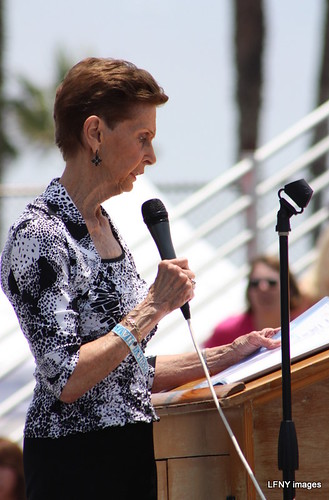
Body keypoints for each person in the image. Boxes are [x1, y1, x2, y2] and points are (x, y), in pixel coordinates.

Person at [0, 57, 280, 500]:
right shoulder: (40, 234)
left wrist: (230, 353)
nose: (150, 156)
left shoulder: (106, 226)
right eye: (142, 138)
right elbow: (68, 377)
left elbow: (126, 370)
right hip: (73, 465)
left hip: (130, 453)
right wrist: (151, 307)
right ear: (95, 133)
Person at [203, 254, 307, 348]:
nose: (263, 288)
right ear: (248, 291)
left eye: (271, 283)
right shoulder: (226, 332)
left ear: (291, 288)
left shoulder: (306, 325)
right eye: (255, 283)